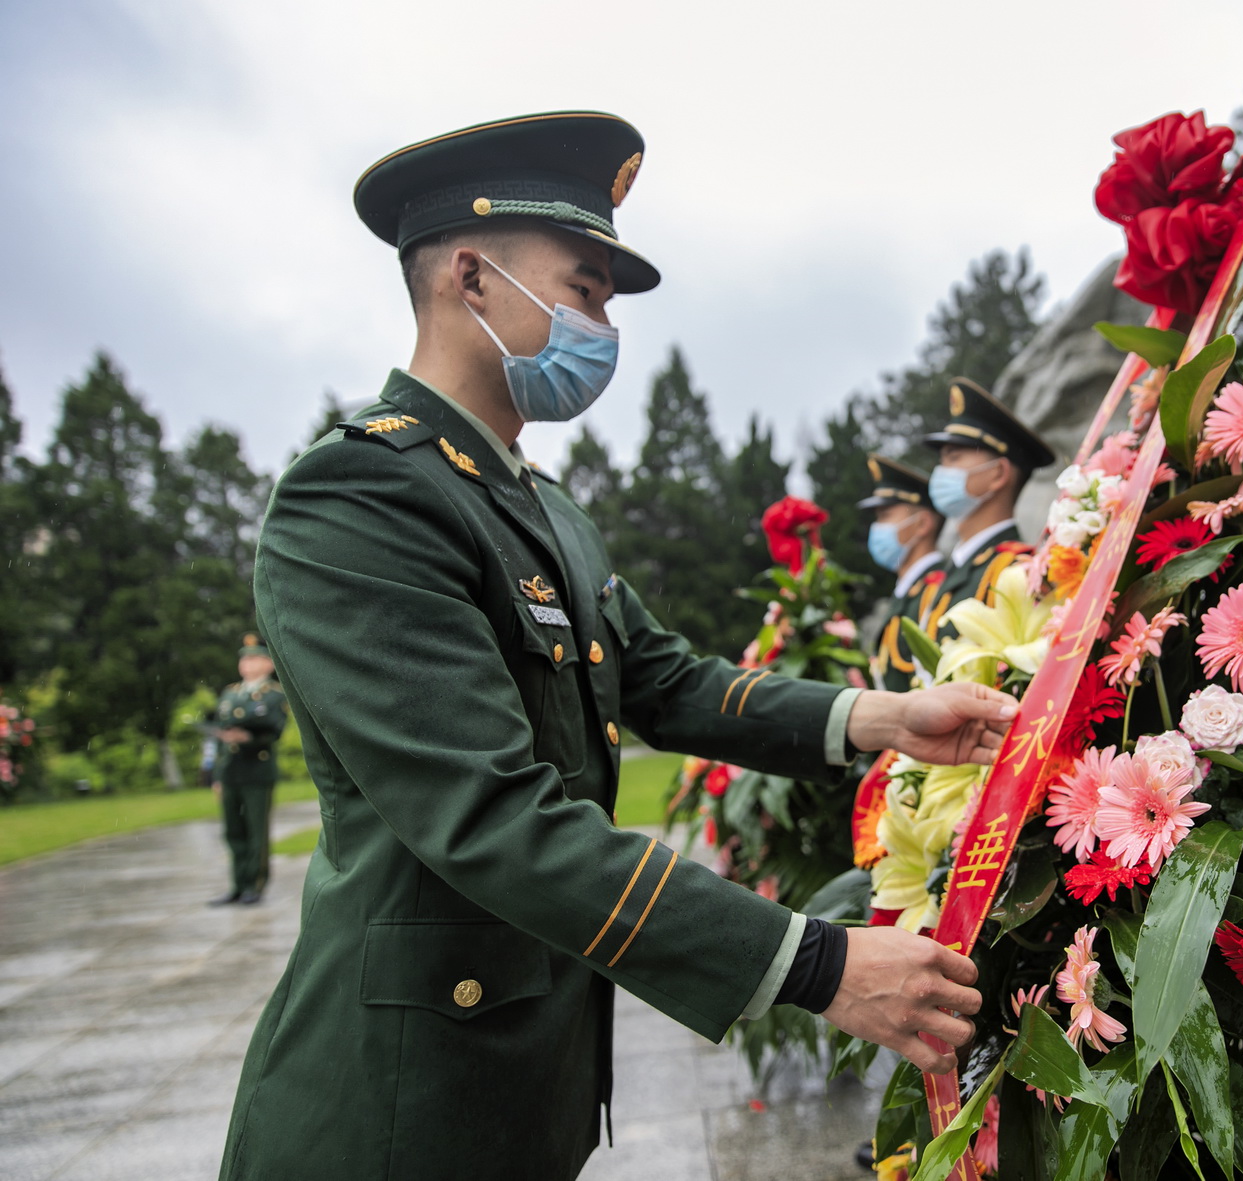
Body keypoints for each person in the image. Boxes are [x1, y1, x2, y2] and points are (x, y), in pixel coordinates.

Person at [219, 112, 1008, 1181]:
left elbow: (662, 679)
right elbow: (488, 812)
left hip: (522, 1077)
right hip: (400, 1098)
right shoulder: (362, 494)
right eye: (584, 287)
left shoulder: (537, 503)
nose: (603, 323)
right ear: (470, 276)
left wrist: (878, 718)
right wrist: (814, 962)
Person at [923, 377, 1056, 633]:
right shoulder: (960, 567)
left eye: (954, 458)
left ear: (998, 474)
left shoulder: (1016, 572)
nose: (940, 471)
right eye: (942, 460)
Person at [207, 634, 287, 906]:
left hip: (257, 770)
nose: (247, 663)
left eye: (253, 658)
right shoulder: (230, 692)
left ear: (268, 664)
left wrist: (248, 739)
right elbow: (219, 736)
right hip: (231, 772)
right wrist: (217, 777)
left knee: (256, 831)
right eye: (244, 659)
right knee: (233, 831)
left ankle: (255, 884)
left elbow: (274, 730)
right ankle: (238, 884)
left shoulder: (275, 694)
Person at [860, 453, 947, 692]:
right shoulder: (908, 591)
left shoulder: (936, 590)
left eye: (885, 516)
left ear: (922, 524)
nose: (877, 527)